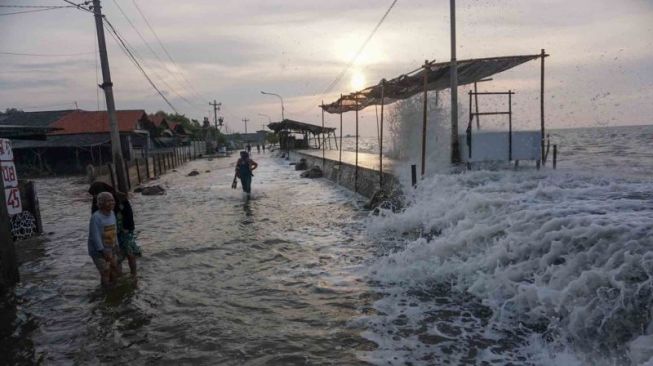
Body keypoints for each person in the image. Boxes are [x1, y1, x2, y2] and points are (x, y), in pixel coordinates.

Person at [88, 192, 120, 287]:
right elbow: (95, 236)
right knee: (105, 271)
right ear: (101, 203)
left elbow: (115, 230)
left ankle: (114, 288)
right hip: (98, 251)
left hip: (111, 247)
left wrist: (117, 244)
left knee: (114, 268)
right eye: (109, 201)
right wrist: (102, 251)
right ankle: (106, 291)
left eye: (113, 200)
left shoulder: (112, 214)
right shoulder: (96, 217)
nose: (112, 203)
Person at [115, 192, 140, 281]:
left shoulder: (123, 205)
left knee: (124, 255)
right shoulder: (123, 204)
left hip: (124, 233)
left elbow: (128, 218)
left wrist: (127, 229)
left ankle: (129, 274)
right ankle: (132, 274)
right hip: (124, 233)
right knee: (127, 255)